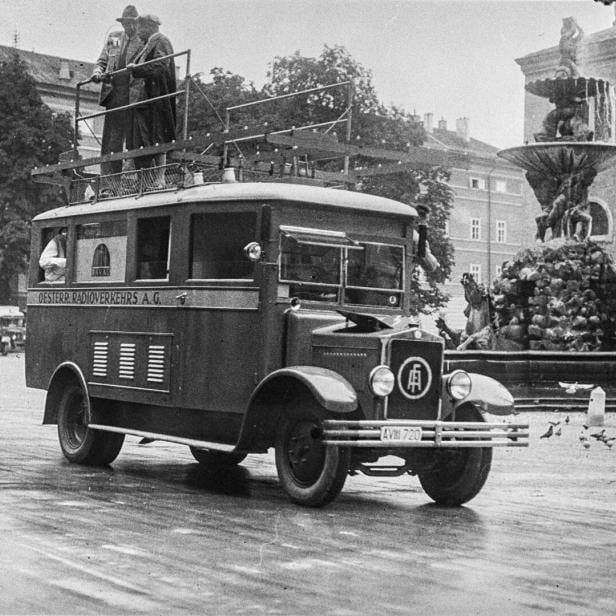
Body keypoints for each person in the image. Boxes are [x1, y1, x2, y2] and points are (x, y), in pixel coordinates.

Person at [90, 5, 144, 177]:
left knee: (131, 138)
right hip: (114, 95)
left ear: (137, 23)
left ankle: (131, 178)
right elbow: (102, 60)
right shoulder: (115, 38)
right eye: (125, 23)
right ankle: (109, 181)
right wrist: (98, 72)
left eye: (132, 23)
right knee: (111, 141)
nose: (129, 27)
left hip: (132, 95)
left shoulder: (143, 41)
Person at [127, 14, 177, 184]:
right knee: (142, 138)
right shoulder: (145, 45)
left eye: (139, 27)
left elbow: (160, 66)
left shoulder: (161, 41)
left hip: (156, 98)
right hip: (144, 100)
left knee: (157, 137)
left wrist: (138, 69)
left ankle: (159, 178)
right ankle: (144, 180)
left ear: (149, 26)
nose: (137, 31)